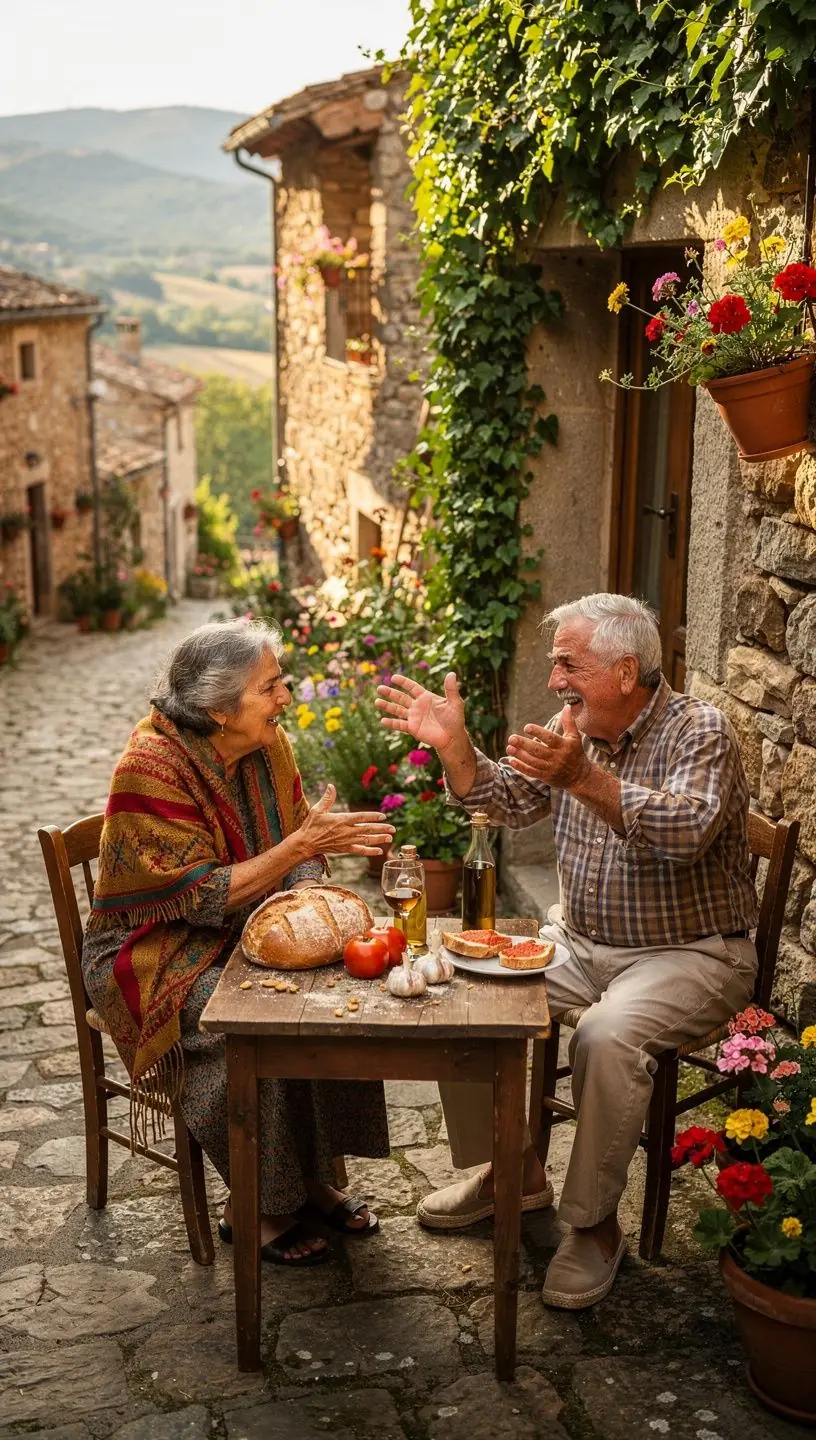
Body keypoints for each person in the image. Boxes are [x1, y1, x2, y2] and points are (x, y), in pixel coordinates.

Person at [376, 593, 758, 1308]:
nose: (554, 681)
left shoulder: (699, 730)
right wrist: (455, 746)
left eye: (566, 664)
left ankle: (592, 1226)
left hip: (694, 953)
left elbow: (687, 834)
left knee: (607, 1037)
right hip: (580, 944)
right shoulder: (570, 725)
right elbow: (512, 799)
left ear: (623, 669)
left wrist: (582, 775)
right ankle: (512, 1173)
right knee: (460, 988)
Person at [83, 619, 396, 1267]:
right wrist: (300, 849)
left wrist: (311, 892)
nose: (286, 696)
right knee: (250, 1017)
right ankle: (254, 1203)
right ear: (219, 711)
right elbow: (196, 896)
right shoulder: (151, 766)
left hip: (250, 919)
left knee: (326, 992)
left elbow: (299, 836)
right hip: (155, 949)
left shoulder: (267, 747)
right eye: (271, 686)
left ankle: (309, 1180)